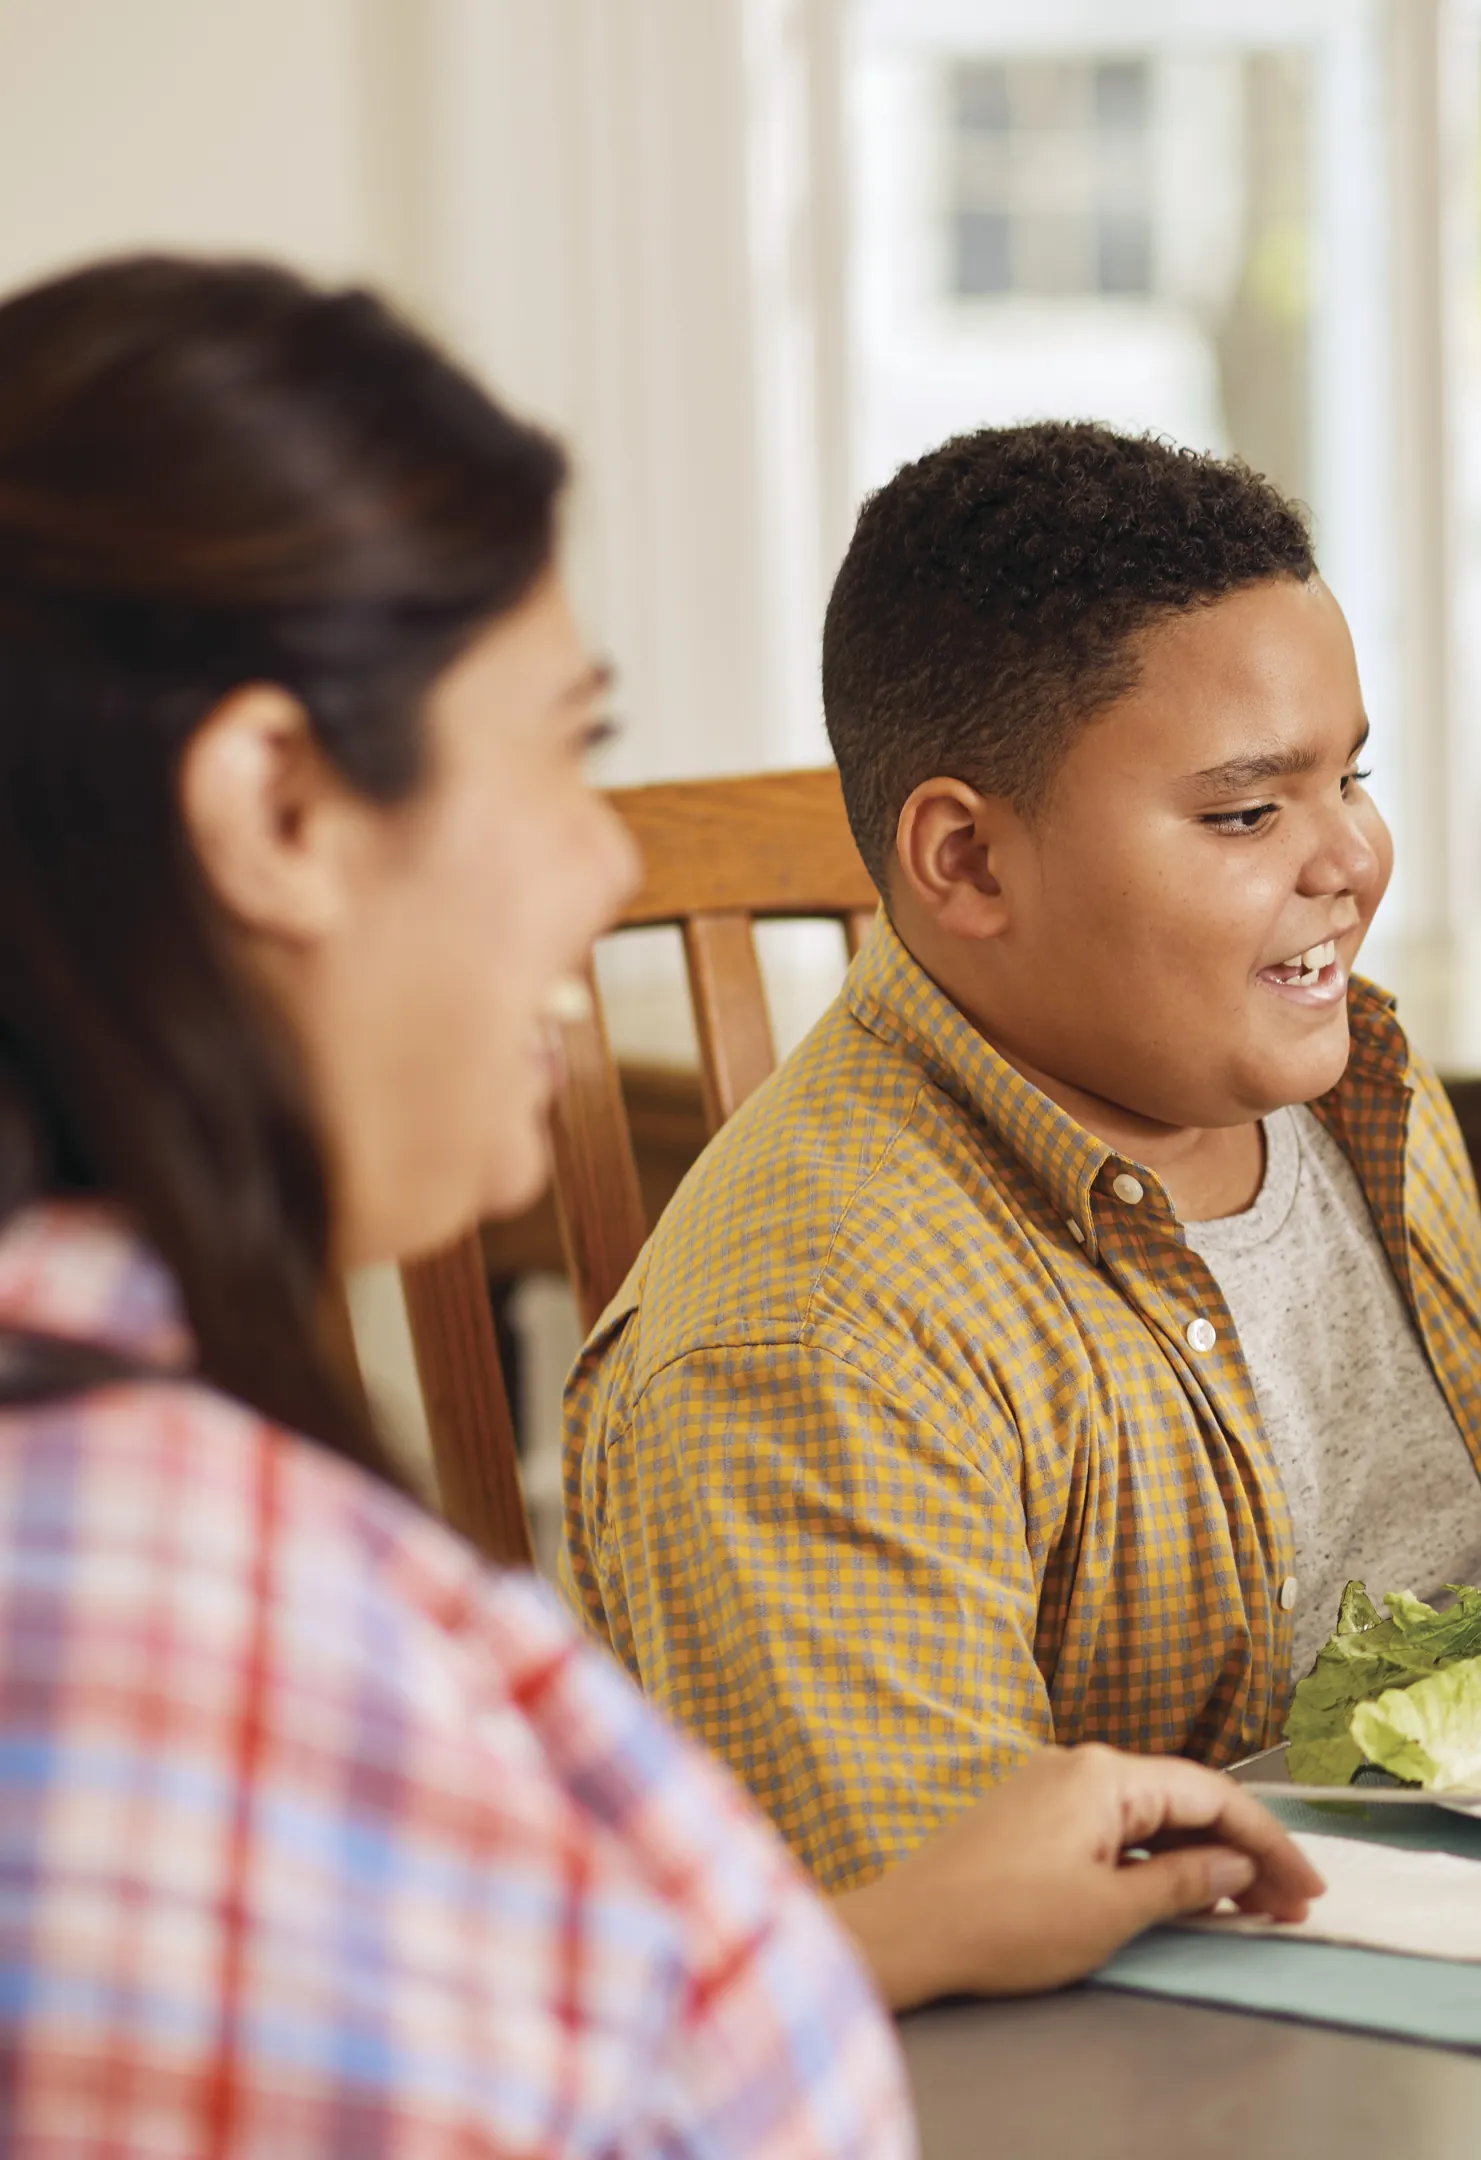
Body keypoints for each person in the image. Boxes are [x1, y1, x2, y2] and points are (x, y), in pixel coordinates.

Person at [0, 254, 1324, 2152]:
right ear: (279, 811)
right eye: (564, 750)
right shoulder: (174, 1610)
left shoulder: (168, 1483)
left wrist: (873, 1936)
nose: (607, 862)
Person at [562, 421, 1481, 1890]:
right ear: (969, 863)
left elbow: (1431, 1448)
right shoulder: (811, 1340)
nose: (1349, 860)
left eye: (1349, 781)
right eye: (1247, 812)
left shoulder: (1346, 1081)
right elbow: (940, 1945)